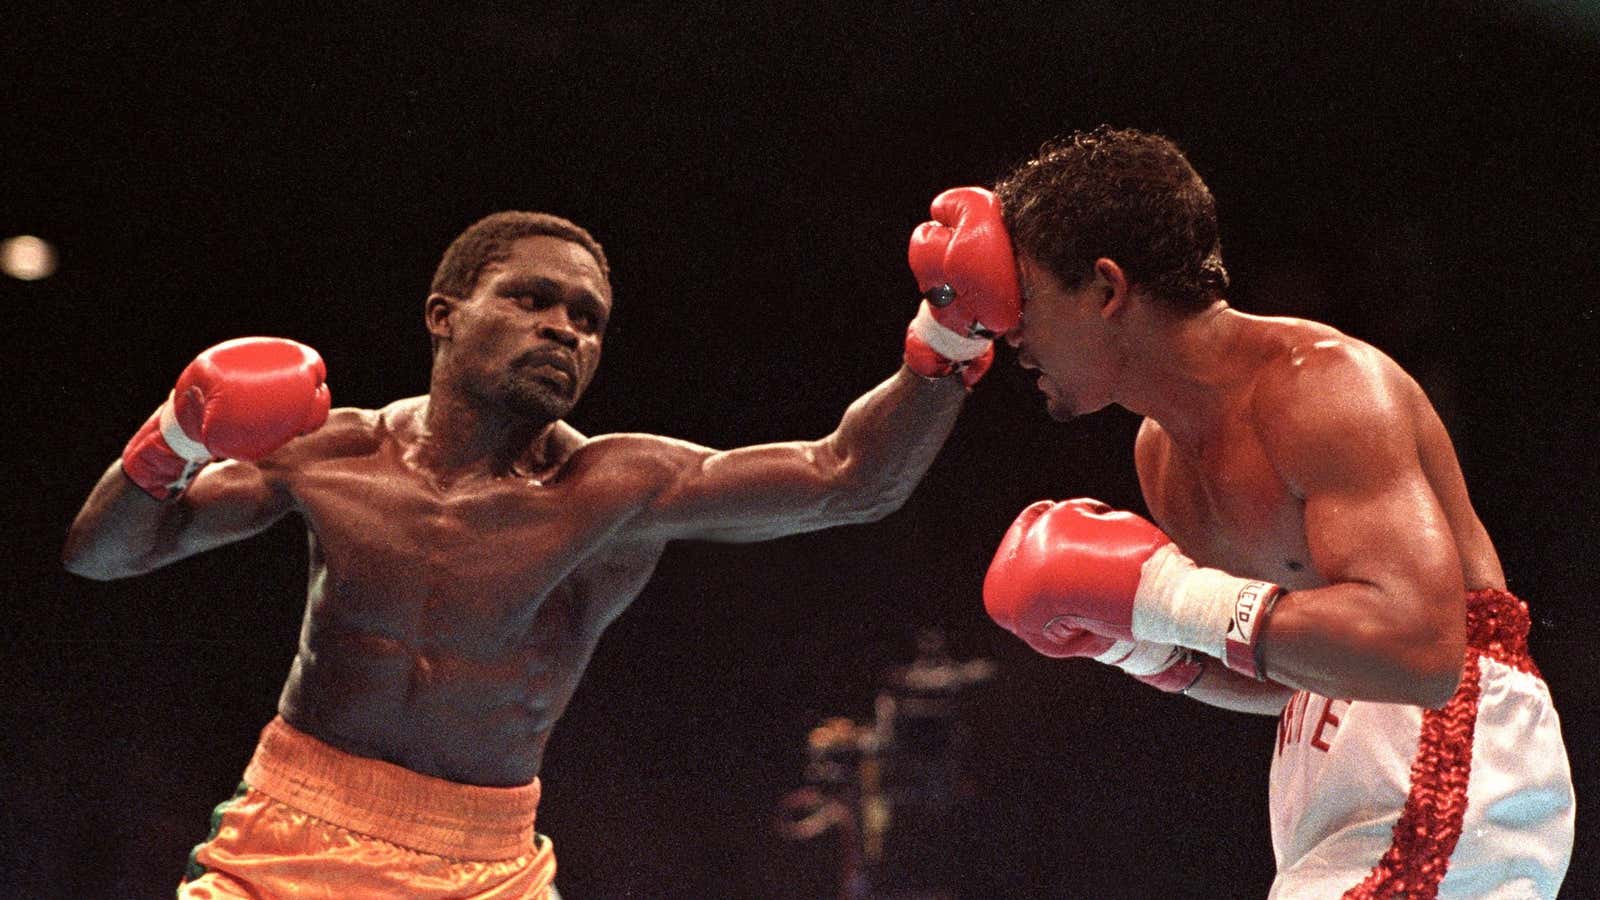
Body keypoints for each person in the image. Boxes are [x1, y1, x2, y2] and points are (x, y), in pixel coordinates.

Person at [62, 195, 1022, 898]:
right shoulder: (328, 454)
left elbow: (849, 477)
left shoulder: (615, 487)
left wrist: (949, 334)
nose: (564, 328)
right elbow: (103, 555)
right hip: (288, 838)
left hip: (487, 867)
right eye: (532, 300)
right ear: (444, 315)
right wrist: (174, 440)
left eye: (588, 319)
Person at [979, 127, 1574, 898]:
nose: (1009, 330)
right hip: (1329, 792)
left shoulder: (1322, 389)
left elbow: (1424, 653)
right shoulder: (1160, 453)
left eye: (1024, 298)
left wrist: (1164, 600)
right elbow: (1288, 665)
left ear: (1106, 288)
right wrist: (1145, 649)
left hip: (1449, 760)